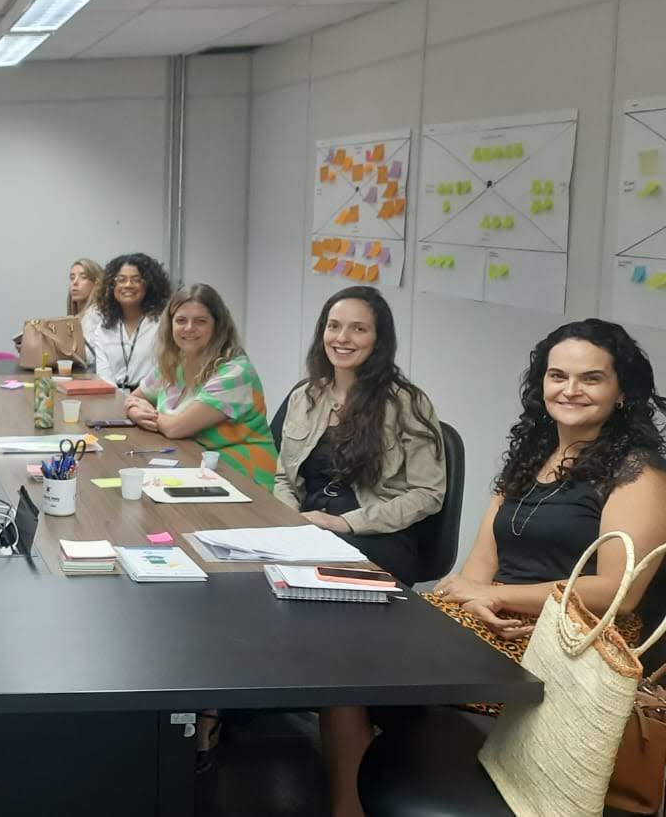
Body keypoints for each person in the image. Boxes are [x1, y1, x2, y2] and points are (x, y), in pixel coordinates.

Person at [321, 318, 666, 817]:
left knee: (359, 670)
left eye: (591, 378)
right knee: (347, 662)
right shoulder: (534, 453)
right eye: (557, 376)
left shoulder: (637, 469)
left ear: (622, 391)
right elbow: (481, 563)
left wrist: (496, 597)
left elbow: (619, 590)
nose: (570, 390)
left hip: (572, 639)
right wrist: (475, 598)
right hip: (495, 618)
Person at [273, 287, 445, 585]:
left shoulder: (407, 403)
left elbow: (427, 494)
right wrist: (292, 523)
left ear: (378, 340)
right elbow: (284, 480)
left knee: (307, 575)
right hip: (309, 526)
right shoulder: (305, 396)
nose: (342, 338)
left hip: (377, 536)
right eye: (334, 326)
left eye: (359, 329)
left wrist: (343, 523)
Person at [125, 283, 277, 487]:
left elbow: (176, 428)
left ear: (217, 326)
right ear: (170, 325)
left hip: (241, 476)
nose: (189, 328)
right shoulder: (174, 362)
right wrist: (134, 411)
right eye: (181, 320)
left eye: (200, 321)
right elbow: (134, 398)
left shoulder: (235, 372)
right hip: (194, 465)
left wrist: (146, 414)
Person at [80, 253, 169, 389]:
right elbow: (104, 377)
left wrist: (138, 399)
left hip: (151, 400)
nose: (128, 285)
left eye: (136, 280)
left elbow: (162, 371)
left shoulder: (162, 324)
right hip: (112, 399)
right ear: (111, 286)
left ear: (149, 285)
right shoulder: (104, 328)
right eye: (121, 280)